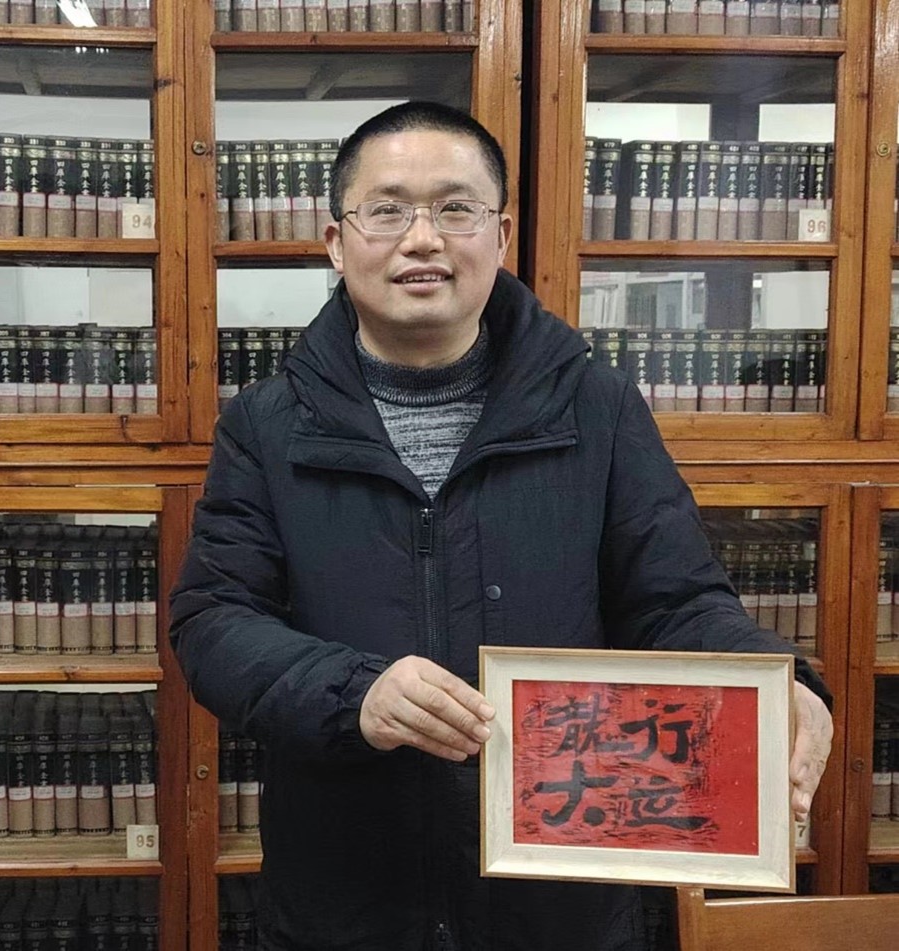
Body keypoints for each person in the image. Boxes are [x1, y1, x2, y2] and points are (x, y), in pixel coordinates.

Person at [170, 101, 833, 951]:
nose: (422, 239)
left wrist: (777, 683)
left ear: (501, 233)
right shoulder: (266, 424)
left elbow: (674, 601)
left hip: (558, 897)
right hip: (348, 896)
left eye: (456, 208)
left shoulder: (594, 407)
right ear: (336, 241)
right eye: (386, 210)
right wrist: (352, 690)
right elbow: (214, 620)